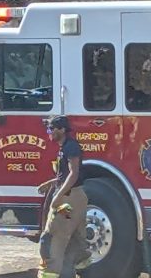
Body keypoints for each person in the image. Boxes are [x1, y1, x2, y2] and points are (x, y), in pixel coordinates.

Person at [36, 115, 91, 278]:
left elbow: (74, 174)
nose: (49, 132)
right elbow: (66, 175)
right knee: (75, 241)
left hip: (67, 202)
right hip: (75, 198)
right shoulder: (66, 147)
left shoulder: (70, 147)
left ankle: (49, 273)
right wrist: (51, 183)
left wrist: (58, 197)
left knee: (52, 238)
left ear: (62, 130)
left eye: (51, 128)